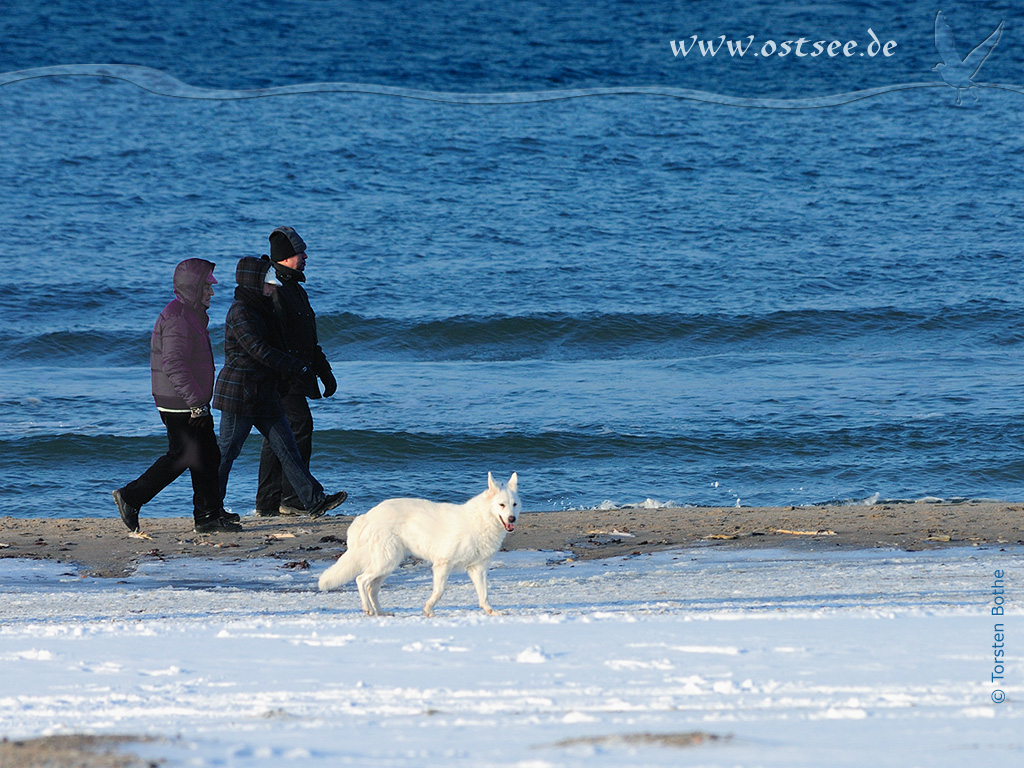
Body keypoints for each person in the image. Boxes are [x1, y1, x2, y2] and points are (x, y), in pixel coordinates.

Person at [112, 258, 241, 534]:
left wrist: (198, 402)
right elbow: (173, 364)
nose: (212, 292)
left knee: (208, 456)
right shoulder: (178, 318)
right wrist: (196, 404)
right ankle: (130, 497)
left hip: (190, 402)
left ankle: (209, 514)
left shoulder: (189, 315)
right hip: (181, 404)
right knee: (183, 456)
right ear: (194, 287)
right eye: (207, 287)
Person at [213, 255, 347, 519]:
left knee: (288, 447)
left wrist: (317, 367)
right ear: (254, 282)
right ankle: (210, 507)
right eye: (269, 283)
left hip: (265, 393)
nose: (274, 288)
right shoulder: (240, 312)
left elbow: (288, 342)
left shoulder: (263, 309)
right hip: (240, 395)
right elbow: (259, 351)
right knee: (227, 453)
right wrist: (296, 366)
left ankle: (313, 500)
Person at [255, 226, 338, 516]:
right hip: (282, 377)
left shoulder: (295, 288)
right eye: (300, 253)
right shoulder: (274, 288)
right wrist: (282, 370)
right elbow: (270, 338)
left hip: (298, 374)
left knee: (278, 435)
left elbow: (307, 336)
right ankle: (291, 498)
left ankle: (268, 502)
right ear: (286, 257)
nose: (305, 257)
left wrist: (323, 370)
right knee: (297, 427)